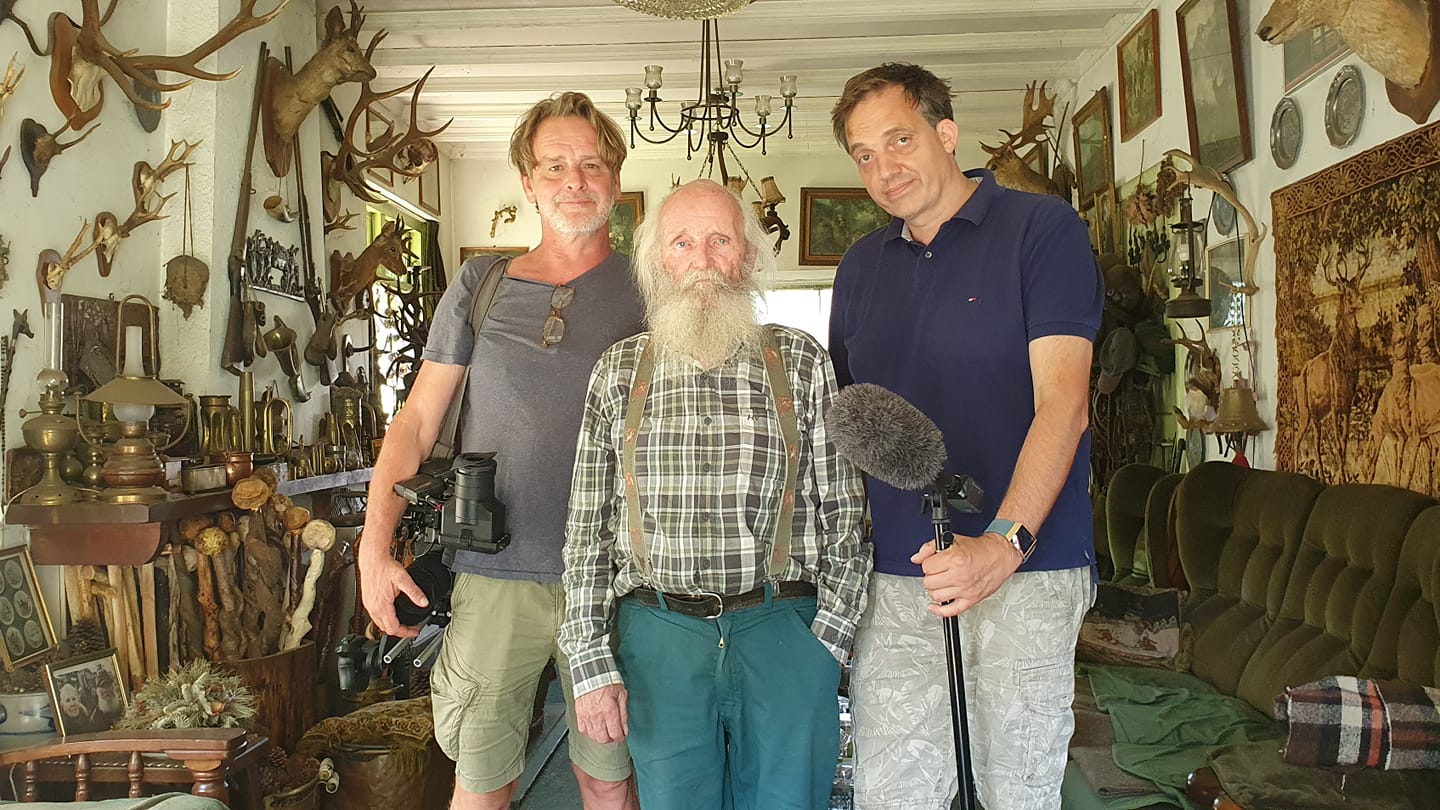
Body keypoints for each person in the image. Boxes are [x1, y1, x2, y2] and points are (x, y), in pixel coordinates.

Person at [358, 91, 645, 810]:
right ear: (527, 182)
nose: (573, 180)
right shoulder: (479, 285)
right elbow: (417, 423)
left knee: (608, 780)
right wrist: (374, 548)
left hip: (617, 582)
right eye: (554, 165)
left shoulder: (653, 288)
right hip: (493, 578)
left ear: (614, 176)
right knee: (483, 784)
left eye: (590, 163)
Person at [828, 63, 1103, 810]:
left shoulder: (1043, 231)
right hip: (901, 575)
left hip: (1029, 566)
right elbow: (852, 414)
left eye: (900, 140)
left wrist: (1003, 541)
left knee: (1015, 788)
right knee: (894, 792)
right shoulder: (858, 267)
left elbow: (1065, 407)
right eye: (863, 155)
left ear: (946, 134)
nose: (884, 169)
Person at [559, 180, 871, 810]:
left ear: (748, 257)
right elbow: (586, 531)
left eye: (719, 240)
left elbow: (846, 514)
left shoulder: (802, 362)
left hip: (784, 631)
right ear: (656, 264)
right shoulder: (618, 371)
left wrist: (827, 645)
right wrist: (591, 661)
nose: (701, 259)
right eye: (681, 242)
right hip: (658, 639)